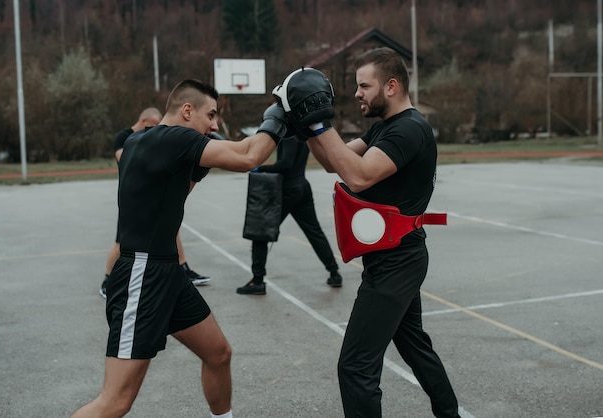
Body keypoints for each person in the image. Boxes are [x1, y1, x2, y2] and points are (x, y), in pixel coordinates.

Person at [71, 79, 286, 418]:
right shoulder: (174, 138)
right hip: (142, 275)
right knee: (115, 402)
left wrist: (201, 163)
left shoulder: (140, 140)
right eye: (210, 115)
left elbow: (174, 192)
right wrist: (280, 114)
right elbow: (248, 157)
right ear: (187, 111)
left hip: (166, 271)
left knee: (218, 353)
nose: (214, 125)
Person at [279, 49, 460, 417]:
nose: (357, 93)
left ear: (391, 86)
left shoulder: (409, 129)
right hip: (393, 257)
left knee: (355, 366)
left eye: (365, 86)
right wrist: (306, 128)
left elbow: (359, 177)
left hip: (398, 262)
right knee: (415, 347)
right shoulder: (385, 127)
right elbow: (335, 163)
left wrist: (319, 124)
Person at [100, 107, 209, 298]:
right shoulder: (125, 137)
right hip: (133, 197)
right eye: (153, 126)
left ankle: (184, 268)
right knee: (121, 242)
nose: (156, 129)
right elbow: (123, 157)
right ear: (143, 122)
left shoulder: (152, 138)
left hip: (153, 194)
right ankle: (108, 280)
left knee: (171, 231)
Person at [236, 136, 342, 295]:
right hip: (302, 186)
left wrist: (261, 168)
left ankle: (257, 281)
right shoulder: (303, 134)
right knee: (314, 232)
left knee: (261, 233)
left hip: (288, 190)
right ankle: (334, 273)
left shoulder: (290, 136)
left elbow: (286, 164)